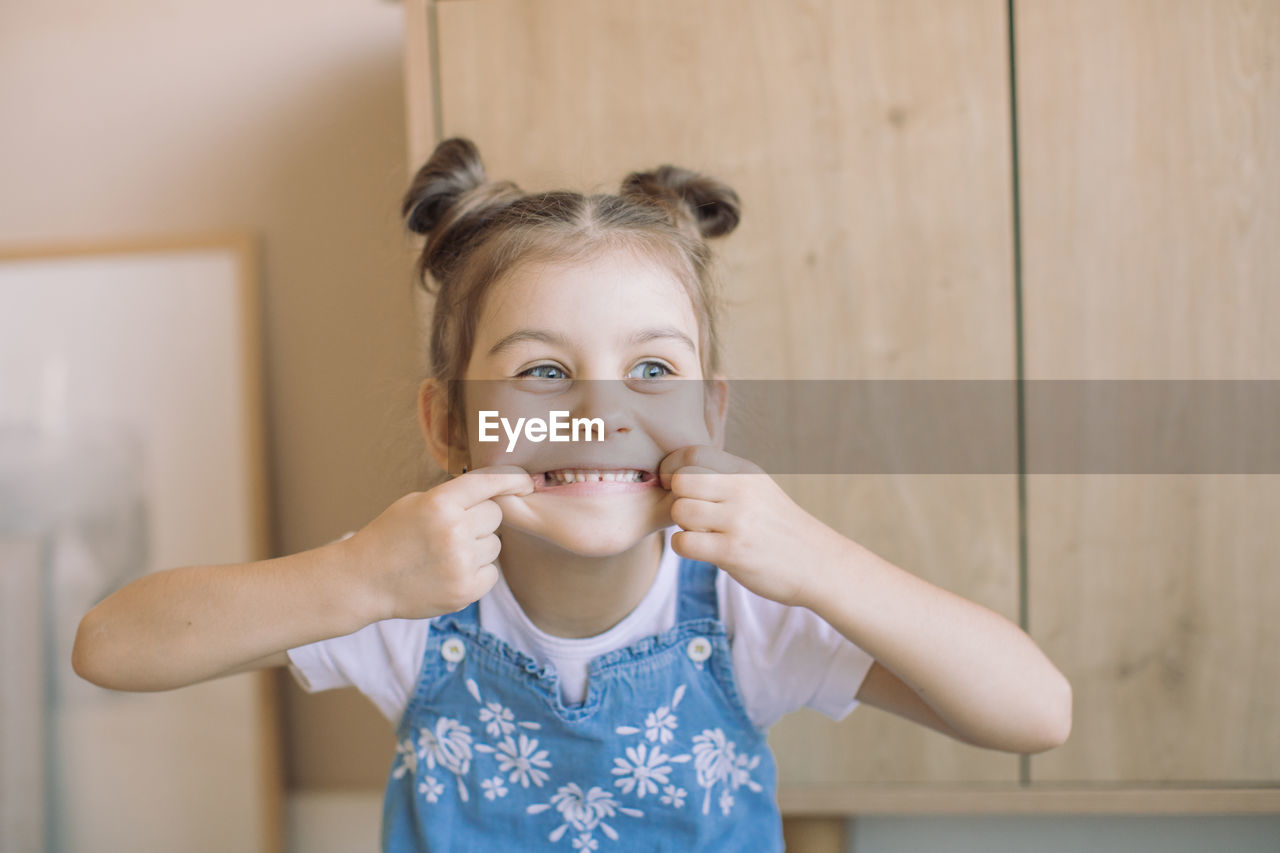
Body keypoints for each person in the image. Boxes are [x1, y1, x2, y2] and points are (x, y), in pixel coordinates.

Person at [73, 137, 1072, 851]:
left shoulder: (747, 607)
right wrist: (356, 576)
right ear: (448, 426)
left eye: (650, 371)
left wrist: (818, 559)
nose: (600, 412)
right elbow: (110, 645)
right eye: (542, 373)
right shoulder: (405, 593)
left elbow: (1034, 711)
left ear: (709, 414)